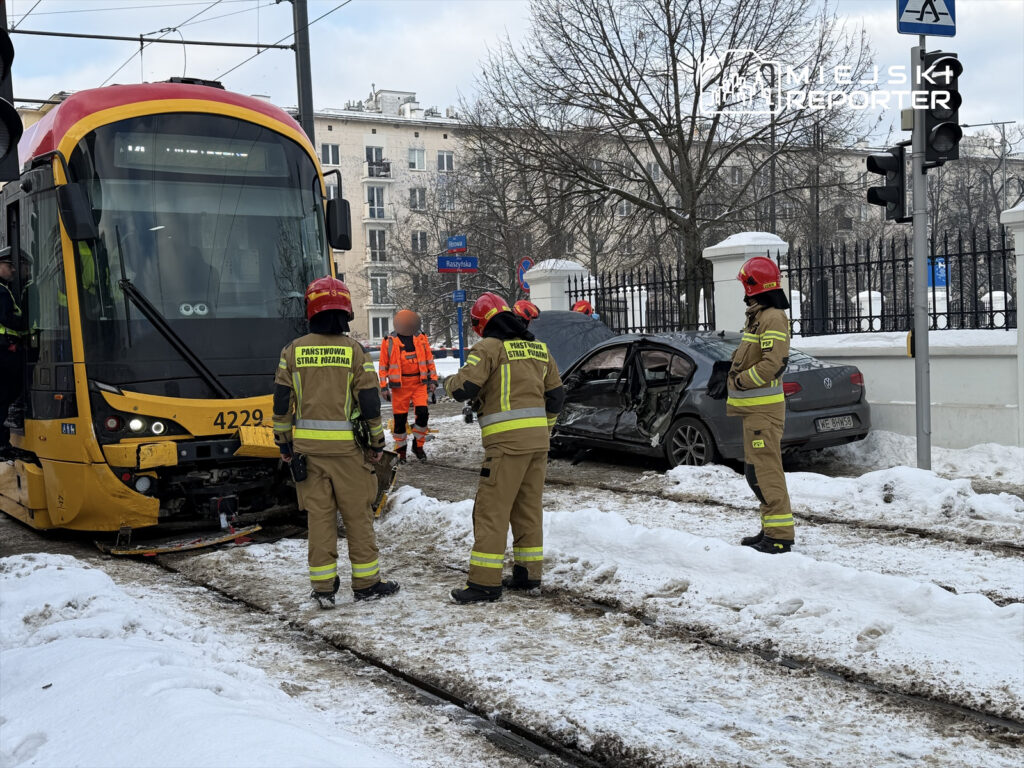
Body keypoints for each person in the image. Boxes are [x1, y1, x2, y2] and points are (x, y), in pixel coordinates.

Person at [273, 276, 400, 608]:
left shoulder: (292, 351)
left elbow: (282, 404)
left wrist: (285, 445)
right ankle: (367, 584)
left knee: (320, 519)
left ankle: (324, 588)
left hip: (308, 455)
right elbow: (370, 403)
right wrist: (375, 444)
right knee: (358, 517)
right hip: (349, 454)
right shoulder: (354, 352)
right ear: (346, 312)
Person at [442, 292, 565, 603]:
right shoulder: (539, 349)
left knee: (491, 512)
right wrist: (545, 428)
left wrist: (445, 383)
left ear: (483, 323)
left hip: (505, 446)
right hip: (538, 444)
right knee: (528, 509)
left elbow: (464, 388)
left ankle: (484, 583)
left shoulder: (488, 348)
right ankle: (528, 575)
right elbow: (556, 398)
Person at [726, 256, 794, 554]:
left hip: (763, 414)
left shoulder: (772, 317)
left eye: (745, 284)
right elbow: (754, 356)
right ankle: (770, 527)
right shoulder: (759, 316)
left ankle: (779, 536)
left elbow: (773, 364)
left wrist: (740, 381)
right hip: (754, 414)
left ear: (753, 286)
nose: (743, 290)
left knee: (766, 471)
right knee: (755, 473)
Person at [378, 309, 437, 462]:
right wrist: (383, 387)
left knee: (423, 414)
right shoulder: (389, 341)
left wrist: (433, 380)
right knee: (399, 421)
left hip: (419, 384)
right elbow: (383, 365)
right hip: (400, 387)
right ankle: (401, 451)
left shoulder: (421, 338)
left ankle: (418, 446)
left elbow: (429, 360)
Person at [0, 248, 27, 448]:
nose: (14, 270)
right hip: (4, 349)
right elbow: (6, 318)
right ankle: (2, 443)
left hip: (6, 347)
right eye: (10, 266)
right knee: (8, 393)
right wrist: (25, 323)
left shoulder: (4, 288)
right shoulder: (1, 291)